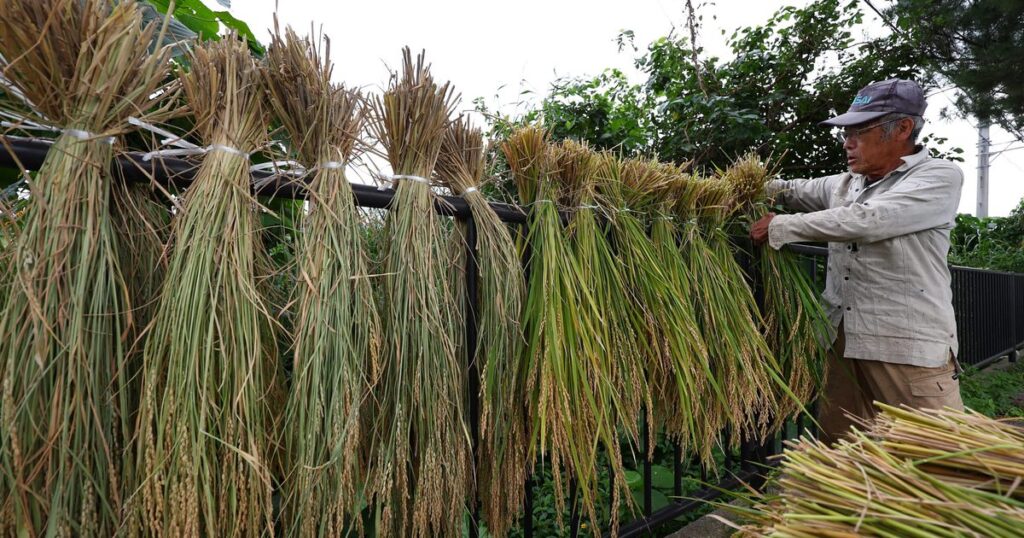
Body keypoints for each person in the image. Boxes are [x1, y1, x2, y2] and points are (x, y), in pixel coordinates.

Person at [750, 78, 965, 444]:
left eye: (859, 133)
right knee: (843, 450)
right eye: (845, 135)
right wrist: (737, 185)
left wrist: (781, 226)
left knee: (938, 454)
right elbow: (791, 190)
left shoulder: (937, 176)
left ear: (903, 128)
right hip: (844, 340)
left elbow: (869, 220)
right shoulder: (847, 183)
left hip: (904, 341)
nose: (848, 144)